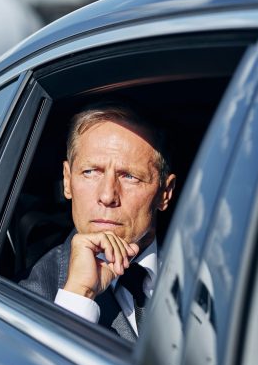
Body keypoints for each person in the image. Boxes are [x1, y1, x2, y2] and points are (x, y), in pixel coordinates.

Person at [19, 102, 176, 342]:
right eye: (91, 172)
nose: (107, 196)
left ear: (164, 193)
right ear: (68, 180)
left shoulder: (207, 268)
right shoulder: (35, 292)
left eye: (130, 177)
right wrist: (80, 294)